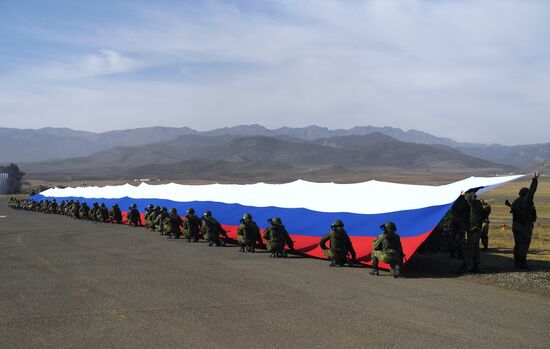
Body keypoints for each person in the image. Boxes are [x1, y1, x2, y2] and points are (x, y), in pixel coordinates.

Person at [505, 171, 540, 269]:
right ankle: (522, 264)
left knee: (517, 245)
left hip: (515, 226)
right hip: (524, 227)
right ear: (526, 194)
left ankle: (517, 263)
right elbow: (532, 190)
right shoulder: (526, 201)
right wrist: (535, 179)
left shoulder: (516, 202)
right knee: (524, 246)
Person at [456, 191, 485, 274]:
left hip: (474, 228)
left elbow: (469, 200)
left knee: (470, 247)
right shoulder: (477, 204)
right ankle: (476, 266)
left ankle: (465, 265)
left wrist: (465, 193)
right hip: (473, 228)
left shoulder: (475, 204)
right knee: (475, 248)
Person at [449, 194, 469, 259]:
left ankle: (452, 254)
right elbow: (467, 212)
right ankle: (460, 254)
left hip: (453, 220)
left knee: (453, 238)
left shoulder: (454, 201)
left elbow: (451, 210)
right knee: (461, 239)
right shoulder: (465, 202)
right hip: (461, 222)